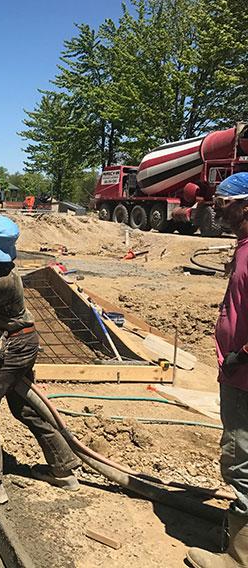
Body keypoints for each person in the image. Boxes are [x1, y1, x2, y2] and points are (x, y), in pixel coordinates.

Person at [0, 216, 81, 505]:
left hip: (14, 346)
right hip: (22, 341)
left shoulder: (2, 282)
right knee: (25, 407)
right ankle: (63, 469)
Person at [187, 172, 248, 568]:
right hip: (238, 374)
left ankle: (239, 559)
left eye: (224, 205)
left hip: (244, 377)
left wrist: (243, 353)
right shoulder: (244, 248)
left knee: (241, 462)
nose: (219, 213)